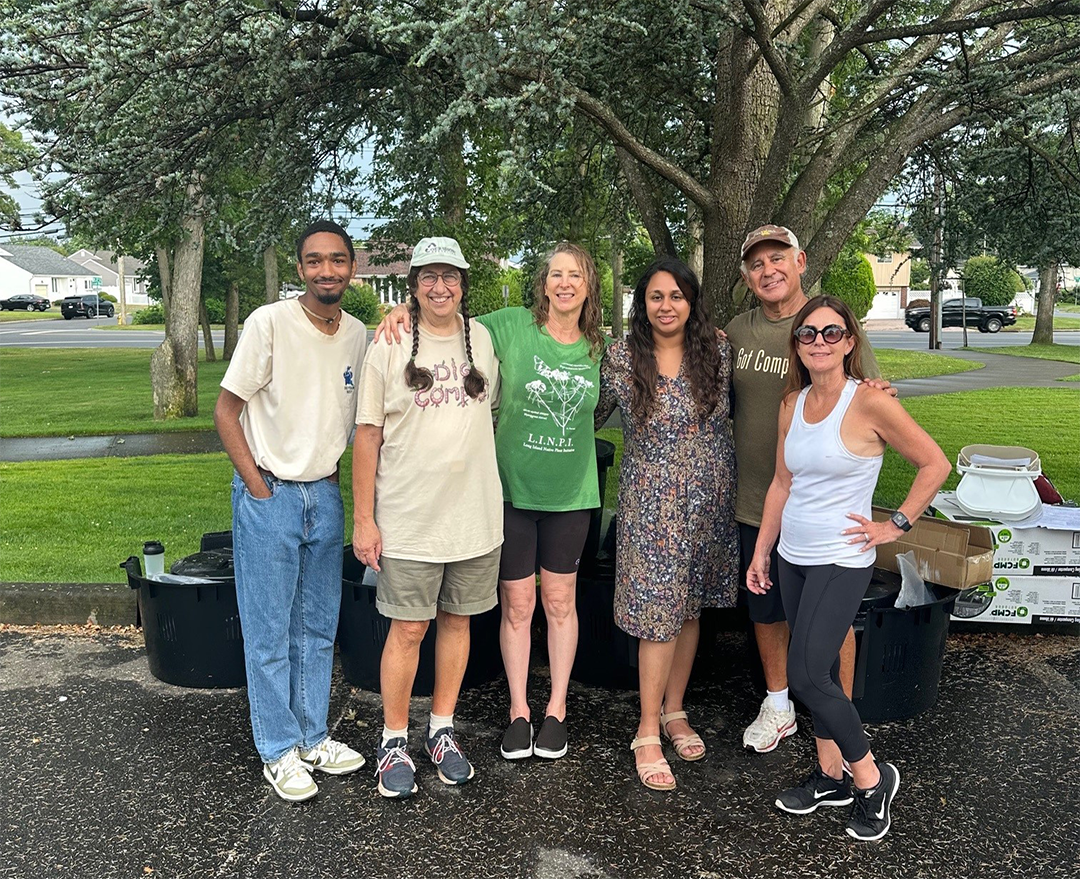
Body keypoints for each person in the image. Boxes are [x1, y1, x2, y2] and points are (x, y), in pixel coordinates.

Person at [374, 242, 606, 762]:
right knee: (518, 605)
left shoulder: (600, 347)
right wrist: (402, 309)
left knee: (561, 603)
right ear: (543, 283)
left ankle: (557, 712)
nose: (565, 283)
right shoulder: (508, 325)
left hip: (572, 495)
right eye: (556, 275)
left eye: (576, 275)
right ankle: (520, 711)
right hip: (510, 490)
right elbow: (444, 312)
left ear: (589, 286)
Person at [747, 294, 950, 841]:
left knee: (807, 674)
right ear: (797, 344)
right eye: (808, 333)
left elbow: (935, 463)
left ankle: (872, 778)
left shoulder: (869, 403)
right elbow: (783, 484)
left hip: (843, 557)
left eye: (830, 333)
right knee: (824, 672)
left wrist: (897, 525)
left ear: (850, 342)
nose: (818, 341)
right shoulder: (792, 404)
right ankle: (831, 775)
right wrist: (763, 550)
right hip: (793, 555)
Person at [214, 220, 368, 802]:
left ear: (351, 268)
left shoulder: (357, 335)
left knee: (317, 626)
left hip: (324, 495)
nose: (326, 270)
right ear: (301, 268)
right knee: (269, 630)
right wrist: (257, 487)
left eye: (337, 260)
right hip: (271, 493)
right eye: (314, 261)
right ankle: (277, 749)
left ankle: (311, 735)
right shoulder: (269, 324)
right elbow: (226, 412)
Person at [727, 224, 892, 755]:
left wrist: (881, 390)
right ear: (747, 276)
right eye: (756, 263)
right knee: (767, 612)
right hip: (759, 500)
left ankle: (834, 716)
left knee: (830, 619)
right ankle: (778, 706)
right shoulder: (736, 332)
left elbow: (873, 394)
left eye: (778, 259)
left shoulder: (829, 328)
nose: (768, 270)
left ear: (801, 262)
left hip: (823, 512)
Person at [353, 237, 502, 798]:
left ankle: (441, 729)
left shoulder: (482, 338)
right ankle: (393, 738)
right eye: (428, 277)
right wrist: (363, 519)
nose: (440, 287)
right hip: (410, 519)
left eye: (451, 277)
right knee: (409, 628)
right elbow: (367, 434)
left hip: (474, 518)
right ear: (413, 283)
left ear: (464, 283)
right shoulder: (388, 344)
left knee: (458, 623)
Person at [594, 258, 738, 790]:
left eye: (677, 296)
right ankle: (646, 729)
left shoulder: (718, 351)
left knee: (689, 605)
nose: (667, 305)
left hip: (708, 496)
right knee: (657, 612)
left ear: (692, 302)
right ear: (642, 304)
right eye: (656, 296)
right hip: (651, 501)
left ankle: (675, 710)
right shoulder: (620, 357)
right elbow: (586, 412)